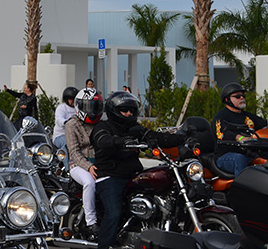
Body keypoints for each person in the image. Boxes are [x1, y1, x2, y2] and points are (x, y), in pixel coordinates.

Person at [91, 91, 186, 249]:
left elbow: (157, 137)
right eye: (125, 110)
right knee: (114, 213)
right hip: (110, 176)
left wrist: (183, 138)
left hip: (132, 176)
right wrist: (121, 142)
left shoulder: (134, 128)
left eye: (132, 110)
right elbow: (103, 140)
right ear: (113, 110)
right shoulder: (103, 127)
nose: (129, 113)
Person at [65, 88, 104, 239]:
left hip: (99, 163)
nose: (92, 111)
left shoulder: (101, 123)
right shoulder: (72, 124)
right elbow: (74, 152)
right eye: (88, 107)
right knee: (89, 182)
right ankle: (91, 222)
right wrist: (88, 166)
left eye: (95, 107)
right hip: (77, 165)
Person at [212, 82, 268, 177]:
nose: (242, 98)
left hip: (249, 153)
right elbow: (221, 134)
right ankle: (243, 190)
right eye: (237, 96)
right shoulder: (221, 116)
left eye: (243, 96)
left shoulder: (247, 116)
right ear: (227, 99)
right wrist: (240, 138)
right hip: (226, 155)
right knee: (239, 159)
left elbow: (264, 124)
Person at [53, 86, 78, 152]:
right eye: (71, 99)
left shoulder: (78, 108)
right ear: (66, 99)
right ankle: (66, 162)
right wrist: (66, 122)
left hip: (75, 135)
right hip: (60, 135)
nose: (73, 101)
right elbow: (59, 119)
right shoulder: (61, 108)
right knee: (66, 144)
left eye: (74, 99)